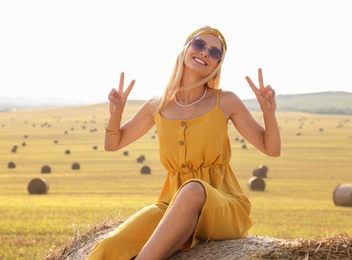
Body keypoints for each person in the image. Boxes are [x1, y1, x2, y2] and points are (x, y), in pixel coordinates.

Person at [88, 25, 281, 260]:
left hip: (223, 206)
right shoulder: (156, 106)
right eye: (199, 45)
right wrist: (116, 112)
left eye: (214, 52)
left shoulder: (226, 101)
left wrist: (268, 111)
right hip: (170, 205)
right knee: (109, 246)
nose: (204, 53)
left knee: (192, 189)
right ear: (186, 49)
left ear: (218, 64)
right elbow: (113, 143)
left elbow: (271, 149)